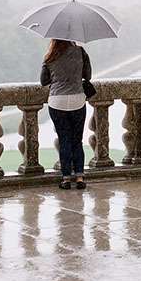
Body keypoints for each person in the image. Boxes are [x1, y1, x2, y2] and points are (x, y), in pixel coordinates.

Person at [40, 39, 92, 190]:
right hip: (77, 99)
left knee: (64, 140)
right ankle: (80, 177)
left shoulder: (50, 56)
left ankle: (66, 178)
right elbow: (87, 76)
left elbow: (44, 81)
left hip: (57, 101)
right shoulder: (80, 52)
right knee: (77, 140)